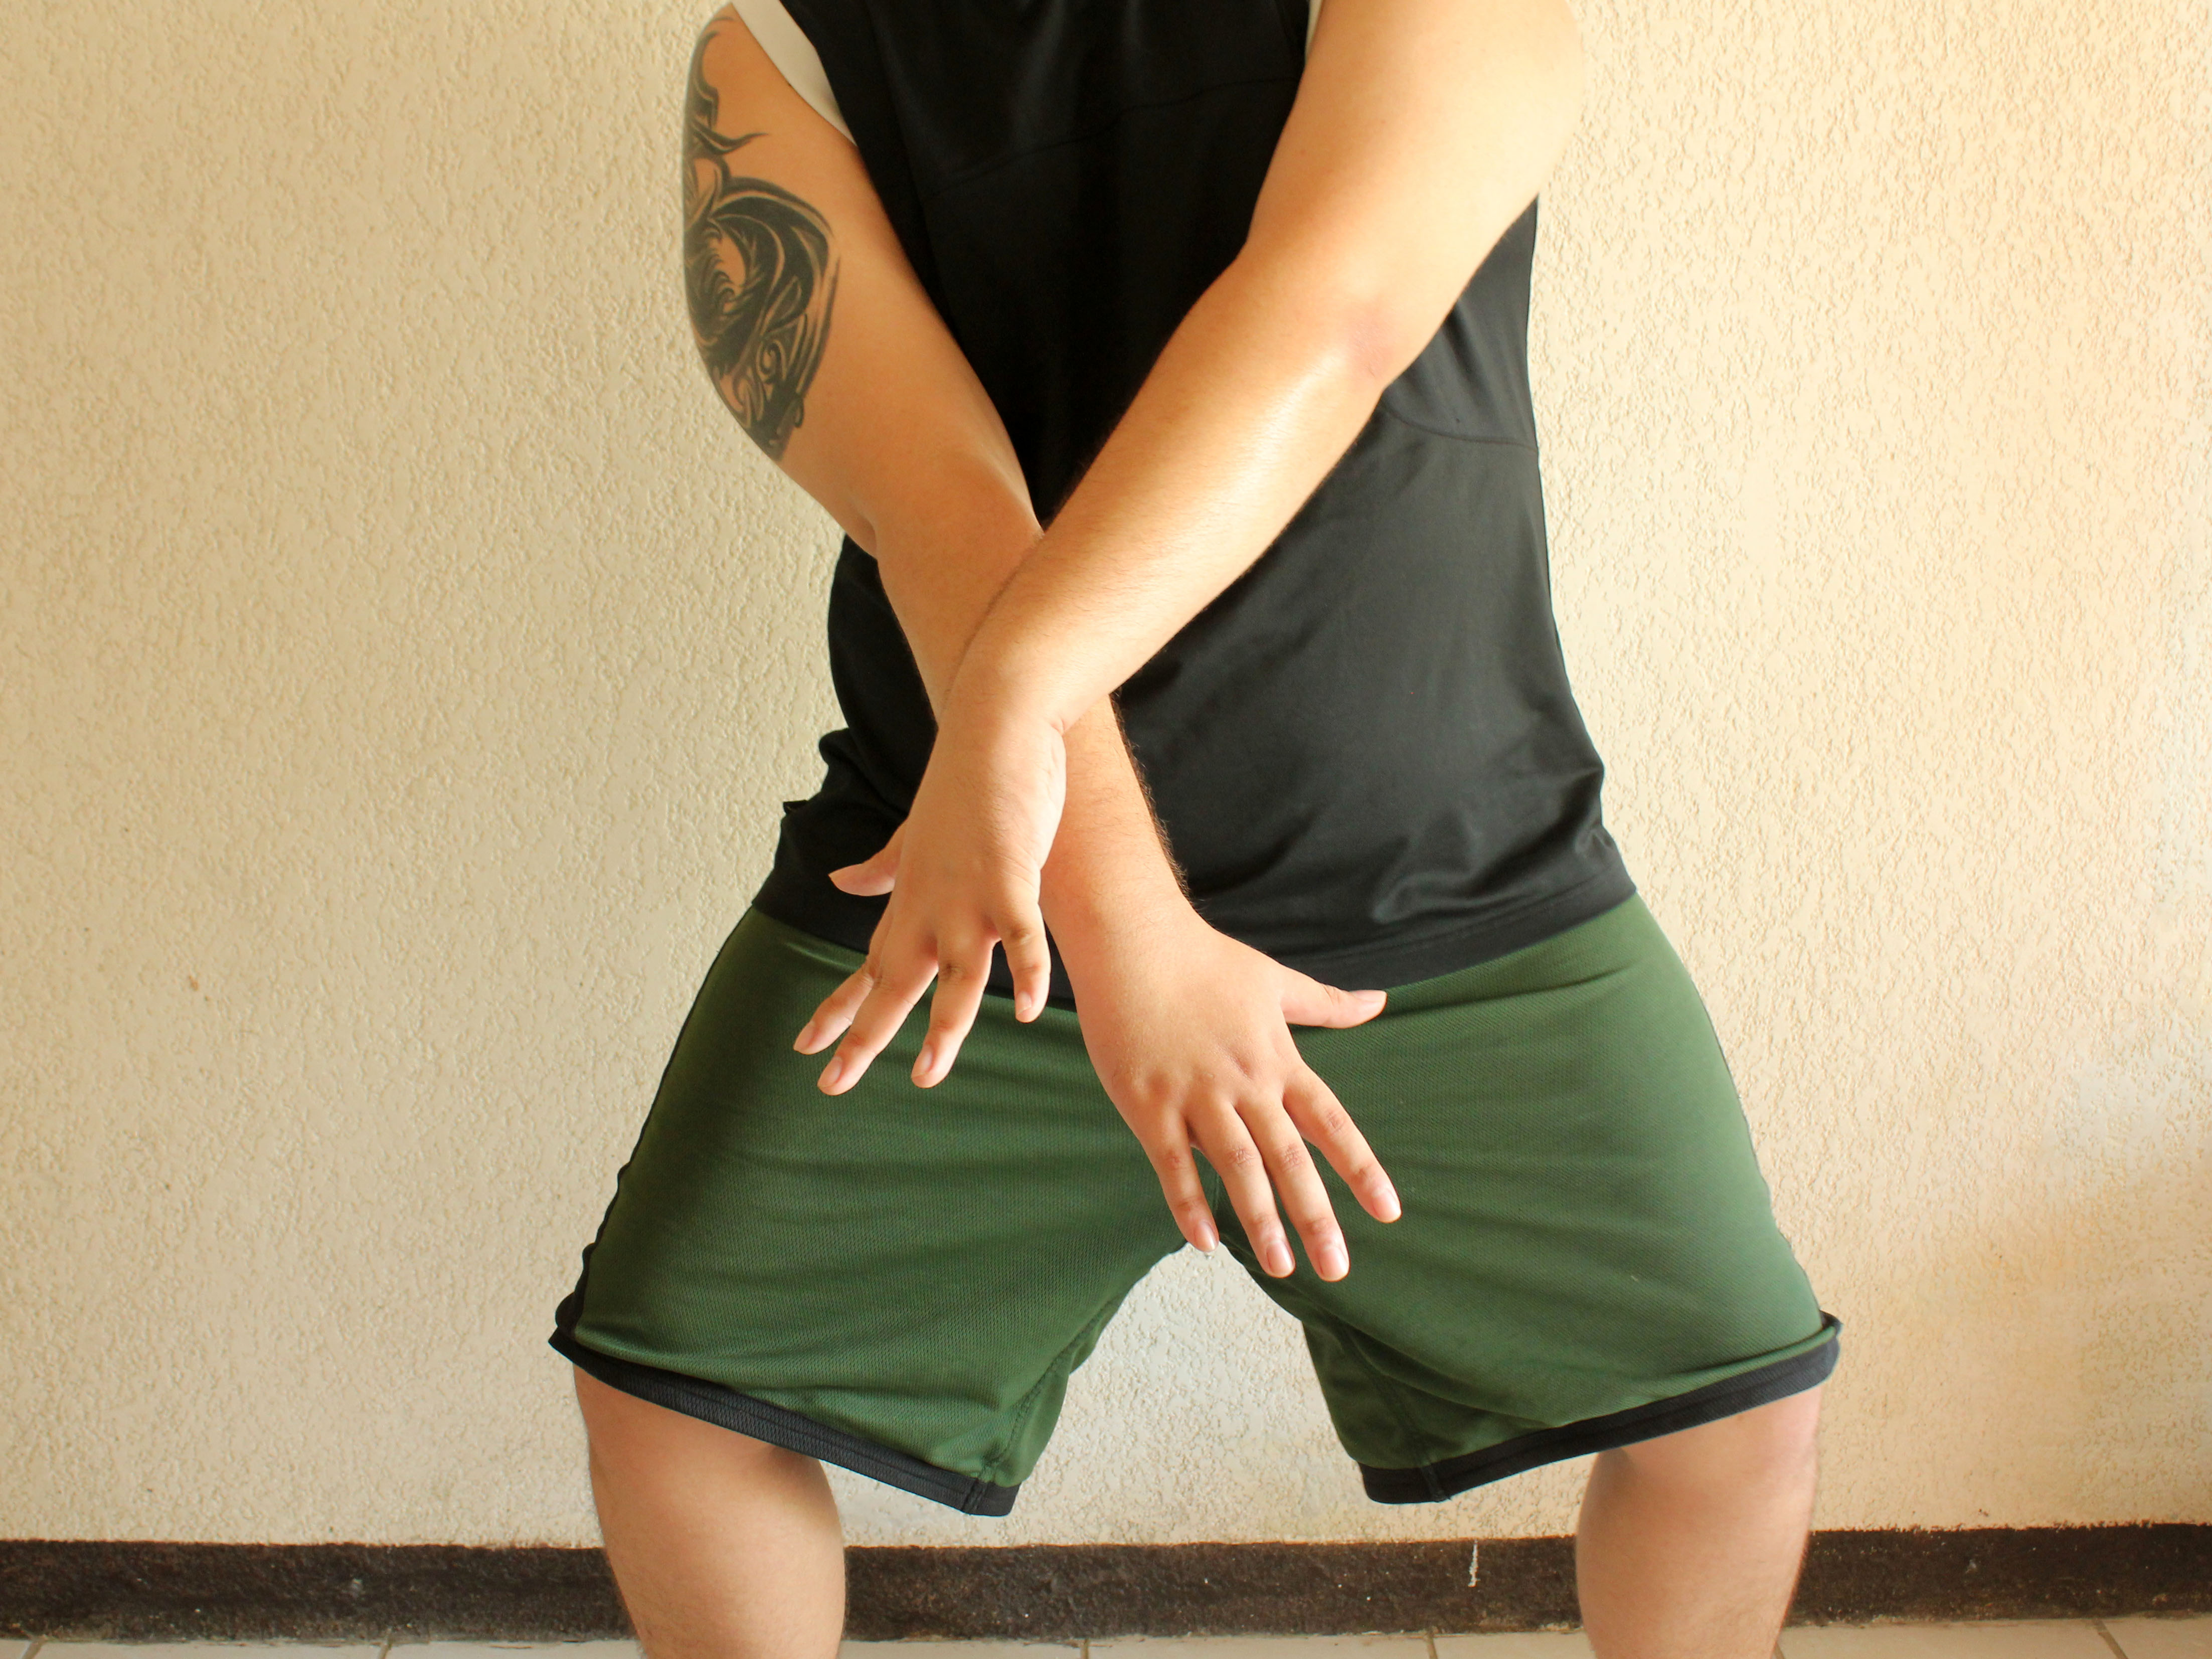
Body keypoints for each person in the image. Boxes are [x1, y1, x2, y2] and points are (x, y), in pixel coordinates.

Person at [552, 2, 1842, 1655]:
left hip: (1450, 890)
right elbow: (932, 498)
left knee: (1733, 1408)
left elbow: (1335, 315)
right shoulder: (779, 52)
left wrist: (1015, 697)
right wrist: (1126, 927)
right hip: (970, 903)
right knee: (669, 1390)